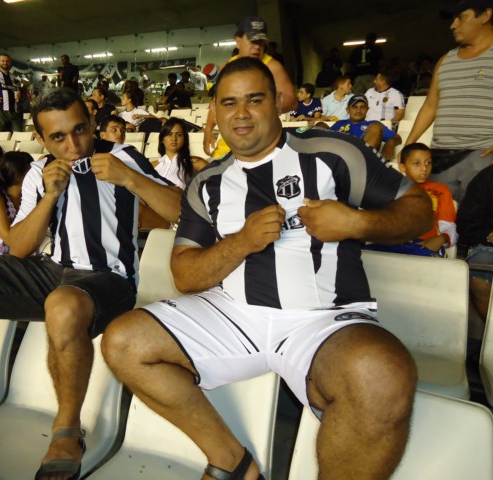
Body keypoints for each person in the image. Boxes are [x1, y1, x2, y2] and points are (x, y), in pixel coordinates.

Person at [102, 57, 433, 480]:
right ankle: (233, 462)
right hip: (233, 313)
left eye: (254, 100)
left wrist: (358, 222)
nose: (241, 114)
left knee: (382, 375)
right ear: (215, 112)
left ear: (277, 102)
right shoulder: (208, 183)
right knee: (123, 341)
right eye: (229, 103)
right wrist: (241, 242)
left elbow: (418, 209)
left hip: (323, 319)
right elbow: (185, 276)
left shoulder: (332, 153)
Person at [0, 88, 182, 480]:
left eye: (80, 130)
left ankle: (67, 428)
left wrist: (130, 179)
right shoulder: (39, 170)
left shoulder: (121, 156)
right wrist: (50, 196)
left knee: (63, 305)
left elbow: (178, 211)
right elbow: (18, 247)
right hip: (52, 270)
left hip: (110, 277)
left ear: (93, 123)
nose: (73, 144)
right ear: (42, 139)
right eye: (58, 137)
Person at [405, 0, 493, 202]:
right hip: (439, 158)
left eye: (460, 17)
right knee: (439, 222)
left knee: (475, 225)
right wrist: (410, 144)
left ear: (486, 15)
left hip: (482, 157)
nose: (453, 25)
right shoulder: (446, 59)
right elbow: (430, 106)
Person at [203, 16, 296, 157]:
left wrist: (259, 106)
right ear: (238, 40)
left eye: (260, 42)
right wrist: (209, 129)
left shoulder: (272, 67)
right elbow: (217, 102)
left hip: (263, 143)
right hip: (229, 144)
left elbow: (292, 101)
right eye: (252, 41)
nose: (257, 46)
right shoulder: (228, 67)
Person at [365, 143, 457, 257]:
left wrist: (441, 239)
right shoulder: (390, 188)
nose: (424, 168)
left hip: (423, 244)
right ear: (402, 167)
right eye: (416, 164)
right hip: (390, 243)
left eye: (428, 163)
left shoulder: (440, 190)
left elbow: (448, 226)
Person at [456, 163, 493, 320]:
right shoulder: (486, 178)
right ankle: (490, 332)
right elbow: (467, 223)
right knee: (479, 281)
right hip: (487, 245)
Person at [328, 94, 401, 161]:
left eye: (362, 107)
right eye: (355, 107)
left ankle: (360, 163)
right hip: (339, 156)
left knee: (375, 127)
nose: (358, 110)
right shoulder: (339, 123)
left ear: (367, 109)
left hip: (361, 158)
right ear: (348, 110)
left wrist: (391, 141)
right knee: (321, 125)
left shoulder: (372, 124)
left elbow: (398, 138)